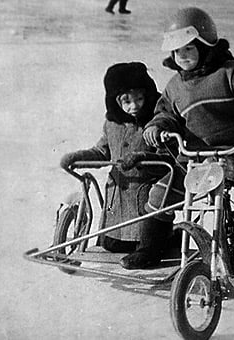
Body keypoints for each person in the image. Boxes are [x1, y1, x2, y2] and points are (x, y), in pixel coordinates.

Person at [128, 7, 234, 298]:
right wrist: (157, 127)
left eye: (189, 49)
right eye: (177, 51)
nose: (182, 56)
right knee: (161, 194)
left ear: (206, 44)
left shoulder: (231, 71)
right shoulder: (175, 86)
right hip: (196, 157)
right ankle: (150, 249)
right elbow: (165, 113)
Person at [60, 62, 174, 258]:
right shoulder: (112, 124)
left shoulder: (155, 124)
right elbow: (102, 151)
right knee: (112, 246)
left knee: (145, 246)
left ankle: (169, 239)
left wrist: (142, 157)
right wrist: (77, 157)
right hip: (116, 204)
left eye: (139, 98)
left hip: (143, 198)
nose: (134, 106)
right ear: (116, 101)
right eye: (126, 101)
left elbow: (167, 161)